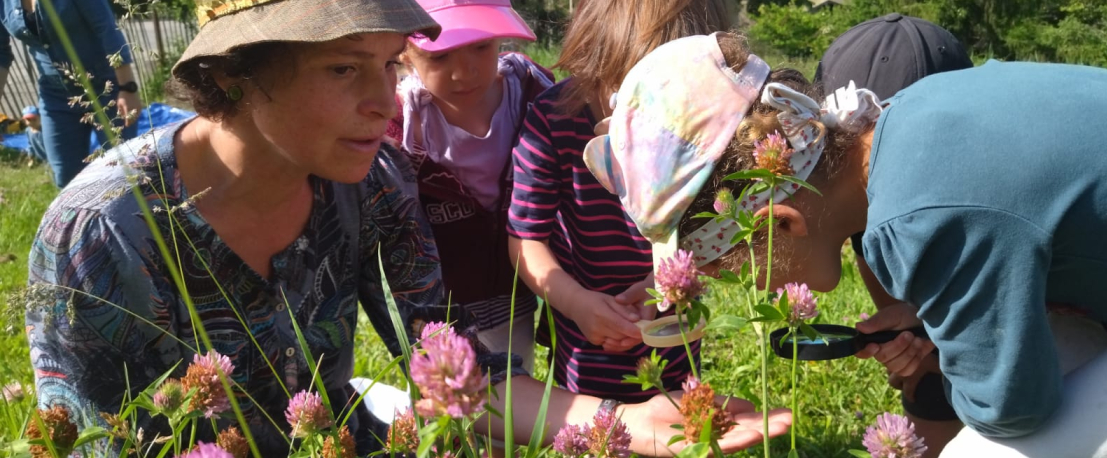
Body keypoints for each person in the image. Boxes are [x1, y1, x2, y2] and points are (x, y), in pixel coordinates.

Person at [25, 1, 791, 456]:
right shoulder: (101, 234)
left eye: (390, 65)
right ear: (234, 76)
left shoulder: (378, 184)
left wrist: (629, 420)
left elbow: (453, 372)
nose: (386, 103)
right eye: (343, 70)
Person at [588, 31, 1107, 457]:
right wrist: (938, 325)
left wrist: (959, 365)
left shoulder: (916, 224)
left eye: (734, 265)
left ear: (782, 222)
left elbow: (1013, 410)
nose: (751, 284)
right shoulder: (909, 118)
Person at [507, 0, 730, 402]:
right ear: (592, 59)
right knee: (597, 429)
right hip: (584, 329)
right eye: (632, 94)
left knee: (675, 415)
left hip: (672, 319)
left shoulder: (704, 127)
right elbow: (526, 239)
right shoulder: (553, 121)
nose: (655, 116)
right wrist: (576, 303)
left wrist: (664, 282)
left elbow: (714, 226)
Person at [813, 13, 973, 456]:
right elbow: (908, 324)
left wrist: (948, 350)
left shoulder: (981, 209)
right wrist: (920, 345)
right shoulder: (863, 213)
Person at [390, 0, 554, 374]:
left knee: (514, 377)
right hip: (443, 291)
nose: (463, 73)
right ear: (405, 54)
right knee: (446, 389)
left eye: (481, 47)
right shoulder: (404, 122)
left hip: (522, 278)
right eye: (441, 56)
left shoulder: (532, 93)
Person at [0, 0, 141, 188]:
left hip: (106, 89)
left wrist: (127, 87)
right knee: (66, 180)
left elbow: (106, 28)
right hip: (55, 96)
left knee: (123, 173)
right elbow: (1, 54)